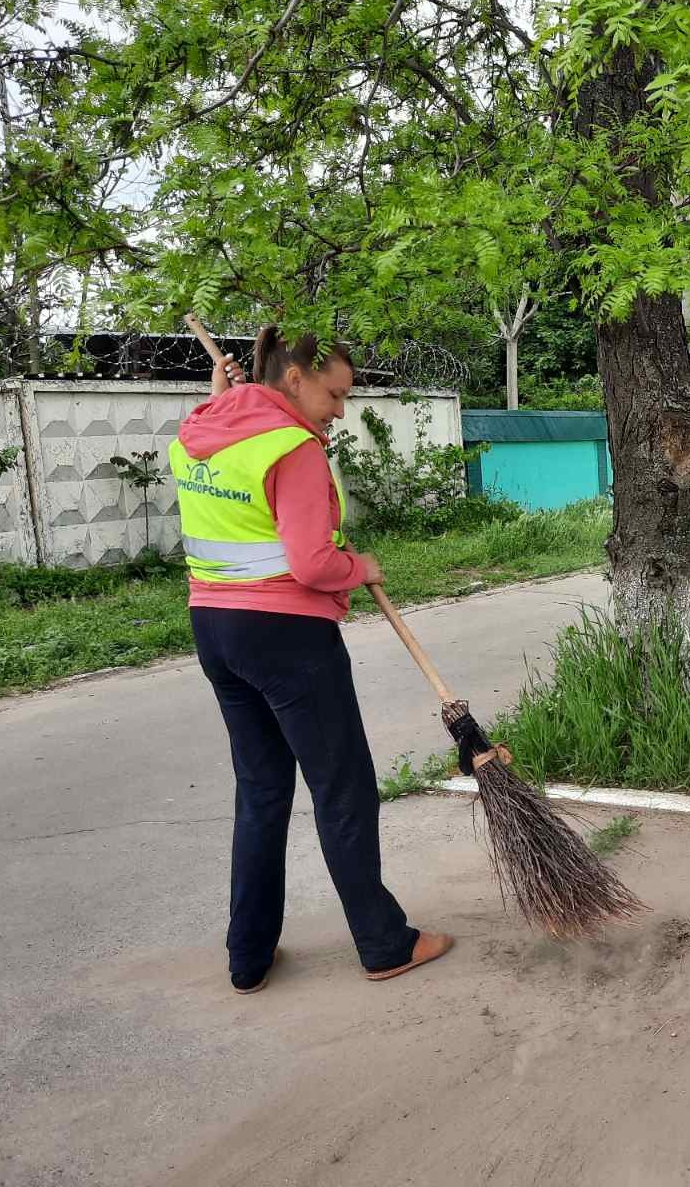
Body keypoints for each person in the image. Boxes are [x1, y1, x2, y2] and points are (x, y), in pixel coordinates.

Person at [171, 326, 452, 995]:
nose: (339, 410)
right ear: (294, 377)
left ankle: (248, 954)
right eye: (334, 394)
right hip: (286, 636)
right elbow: (313, 563)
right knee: (343, 789)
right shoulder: (292, 447)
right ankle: (385, 943)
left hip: (215, 630)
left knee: (263, 790)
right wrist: (363, 566)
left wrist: (223, 398)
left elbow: (225, 436)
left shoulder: (201, 429)